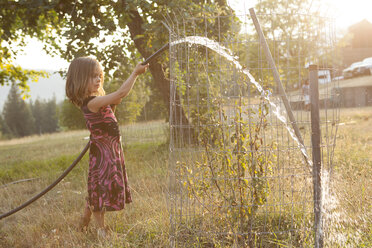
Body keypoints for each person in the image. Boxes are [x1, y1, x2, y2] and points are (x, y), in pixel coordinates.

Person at [65, 57, 149, 238]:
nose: (98, 80)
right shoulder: (91, 103)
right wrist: (135, 73)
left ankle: (83, 224)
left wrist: (112, 103)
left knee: (97, 190)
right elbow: (120, 94)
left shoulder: (98, 100)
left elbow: (113, 105)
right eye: (92, 76)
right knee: (99, 191)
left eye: (99, 76)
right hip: (103, 155)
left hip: (110, 151)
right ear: (80, 79)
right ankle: (102, 231)